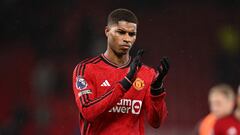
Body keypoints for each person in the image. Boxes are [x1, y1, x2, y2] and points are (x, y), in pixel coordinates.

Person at [72, 8, 169, 135]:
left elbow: (156, 123)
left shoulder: (146, 74)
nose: (127, 39)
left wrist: (157, 91)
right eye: (121, 32)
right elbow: (88, 111)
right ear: (107, 31)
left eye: (131, 34)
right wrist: (125, 84)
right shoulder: (86, 69)